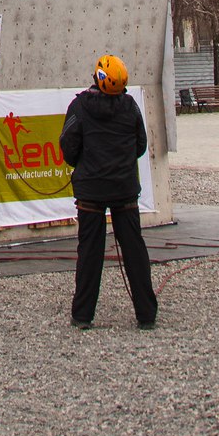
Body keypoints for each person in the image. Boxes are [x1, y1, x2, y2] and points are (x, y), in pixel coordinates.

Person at [60, 53, 157, 331]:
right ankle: (146, 313)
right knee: (134, 251)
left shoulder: (79, 107)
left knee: (89, 252)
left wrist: (84, 163)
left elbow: (68, 145)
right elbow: (140, 144)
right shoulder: (130, 107)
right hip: (124, 188)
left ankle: (83, 314)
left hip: (91, 191)